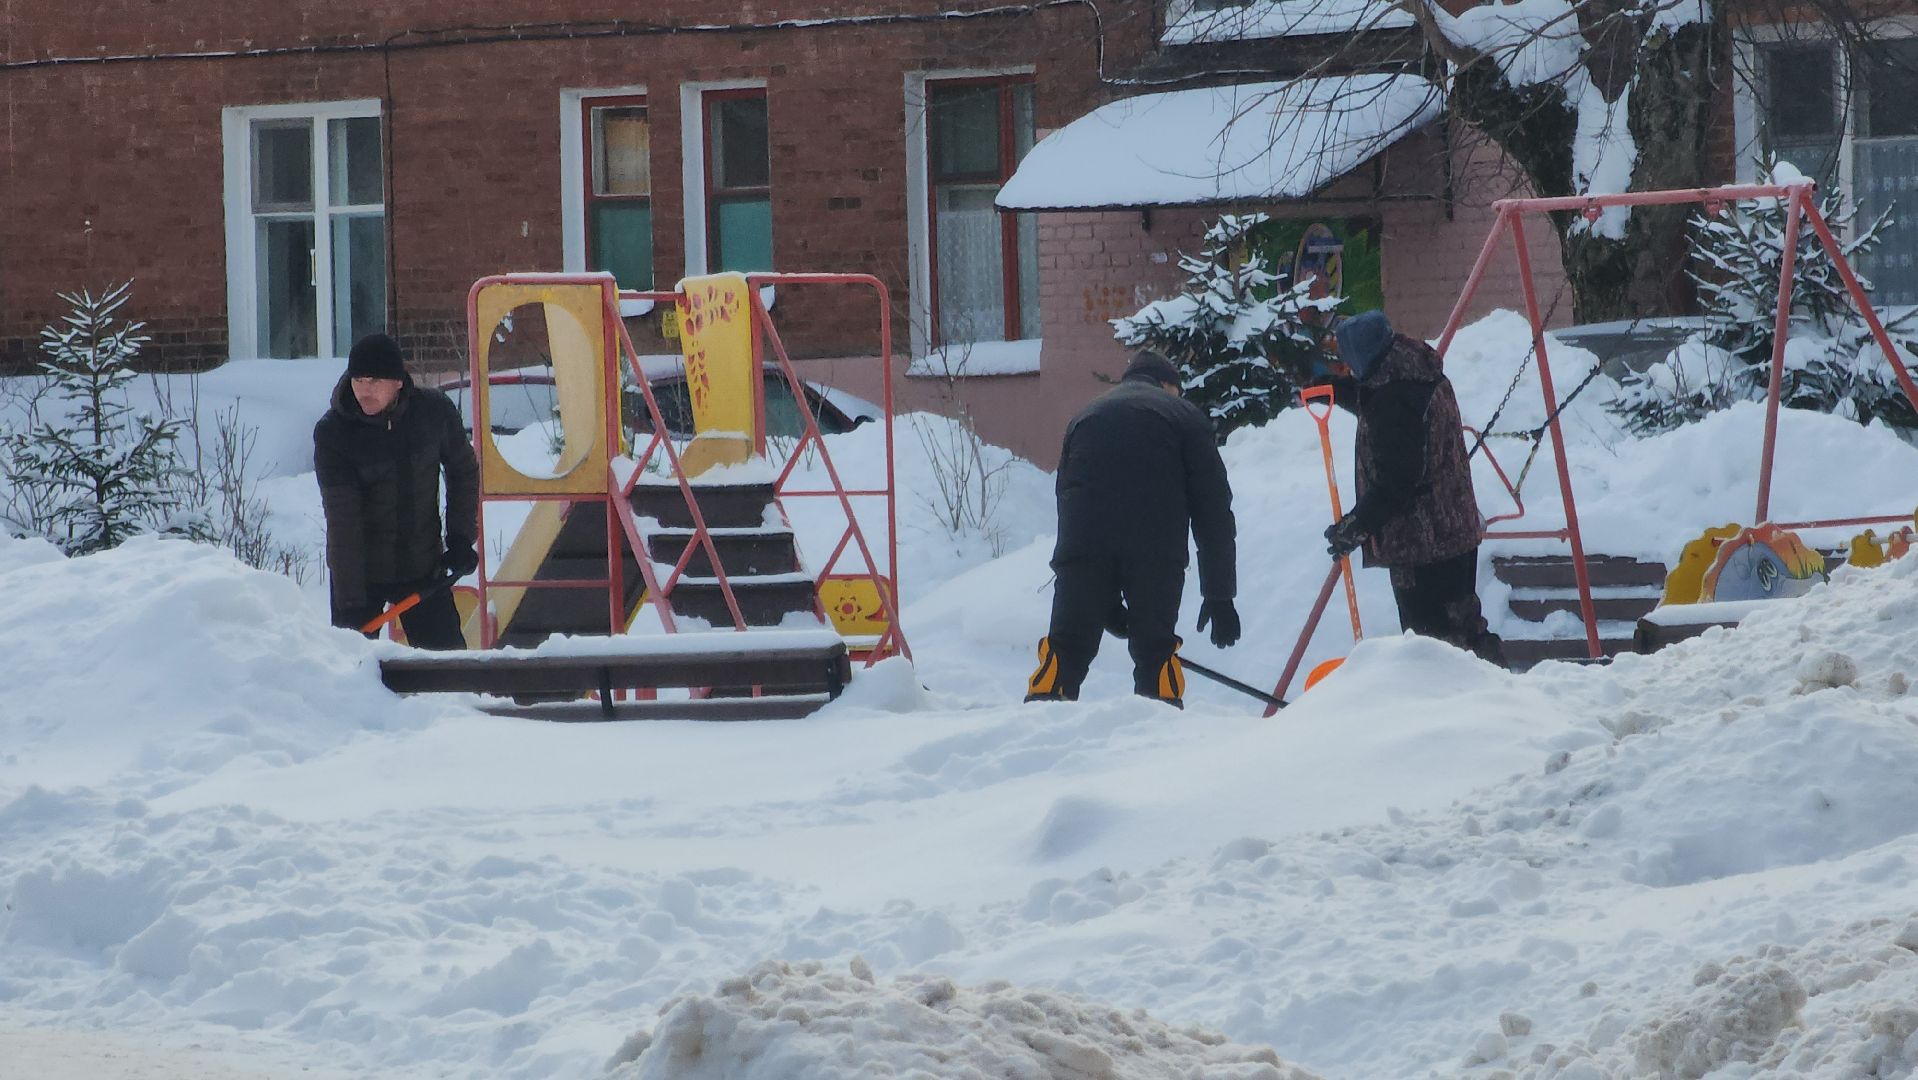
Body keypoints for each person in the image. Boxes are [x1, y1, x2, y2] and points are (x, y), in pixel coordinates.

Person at [1026, 349, 1239, 707]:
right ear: (1168, 385)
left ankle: (1035, 733)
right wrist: (1219, 595)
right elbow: (1213, 509)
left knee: (1065, 648)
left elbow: (1067, 495)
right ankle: (1158, 741)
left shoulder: (1086, 416)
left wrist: (1097, 591)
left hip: (1083, 547)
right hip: (1156, 550)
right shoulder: (1183, 415)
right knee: (1156, 652)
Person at [1320, 311, 1505, 665]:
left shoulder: (1395, 397)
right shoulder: (1414, 370)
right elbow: (1375, 399)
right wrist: (1332, 391)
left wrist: (1357, 525)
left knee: (1435, 646)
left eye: (1346, 357)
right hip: (1451, 529)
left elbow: (1397, 479)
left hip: (1423, 544)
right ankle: (1498, 696)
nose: (1345, 364)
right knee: (1465, 630)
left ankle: (1460, 708)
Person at [314, 332, 479, 649]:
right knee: (354, 675)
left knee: (449, 674)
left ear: (399, 382)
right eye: (358, 380)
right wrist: (350, 603)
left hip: (423, 567)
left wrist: (459, 539)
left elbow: (463, 471)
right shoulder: (334, 433)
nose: (364, 391)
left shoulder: (433, 415)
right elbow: (342, 520)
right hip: (361, 574)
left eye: (374, 381)